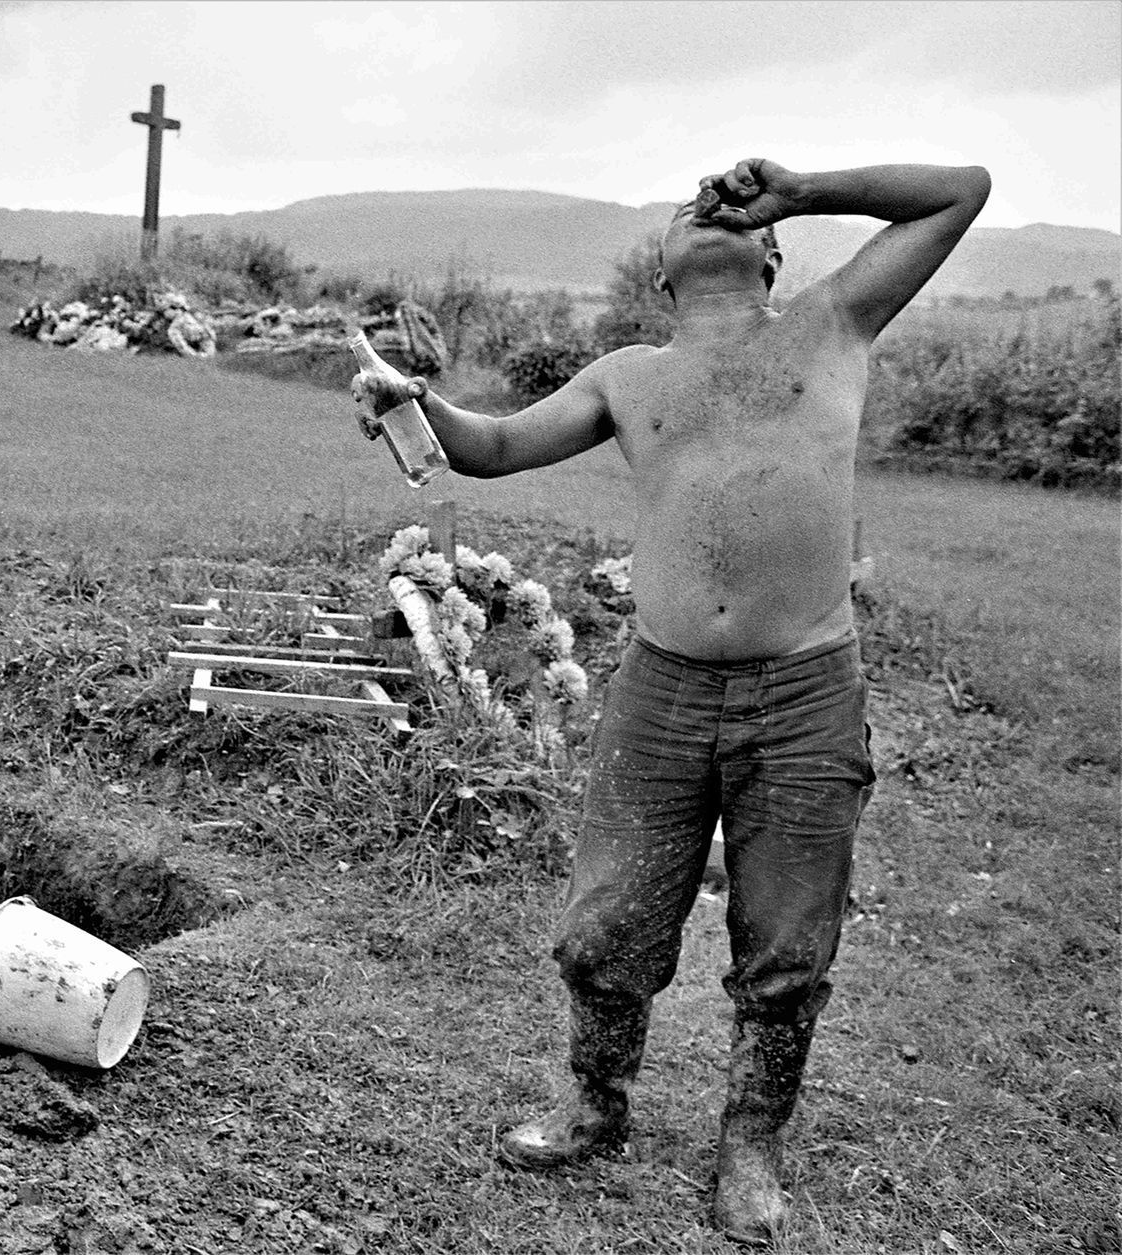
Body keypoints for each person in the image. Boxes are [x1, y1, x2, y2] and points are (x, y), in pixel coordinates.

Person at [353, 158, 990, 1246]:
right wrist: (419, 407)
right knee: (608, 922)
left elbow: (959, 190)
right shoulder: (630, 376)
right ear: (663, 274)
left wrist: (797, 186)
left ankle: (751, 1142)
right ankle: (596, 1102)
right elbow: (497, 447)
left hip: (805, 695)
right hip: (662, 691)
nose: (710, 207)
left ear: (772, 252)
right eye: (688, 210)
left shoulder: (834, 322)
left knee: (788, 938)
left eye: (732, 210)